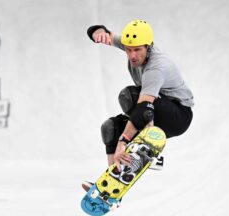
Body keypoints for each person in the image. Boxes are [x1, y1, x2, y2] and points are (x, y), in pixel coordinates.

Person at [82, 20, 194, 191]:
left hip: (178, 115)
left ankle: (151, 147)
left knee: (130, 96)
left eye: (137, 50)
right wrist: (99, 32)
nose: (132, 56)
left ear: (148, 47)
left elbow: (143, 108)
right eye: (128, 50)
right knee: (111, 127)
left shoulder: (156, 67)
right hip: (154, 111)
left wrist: (123, 141)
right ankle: (111, 182)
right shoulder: (132, 43)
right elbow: (98, 32)